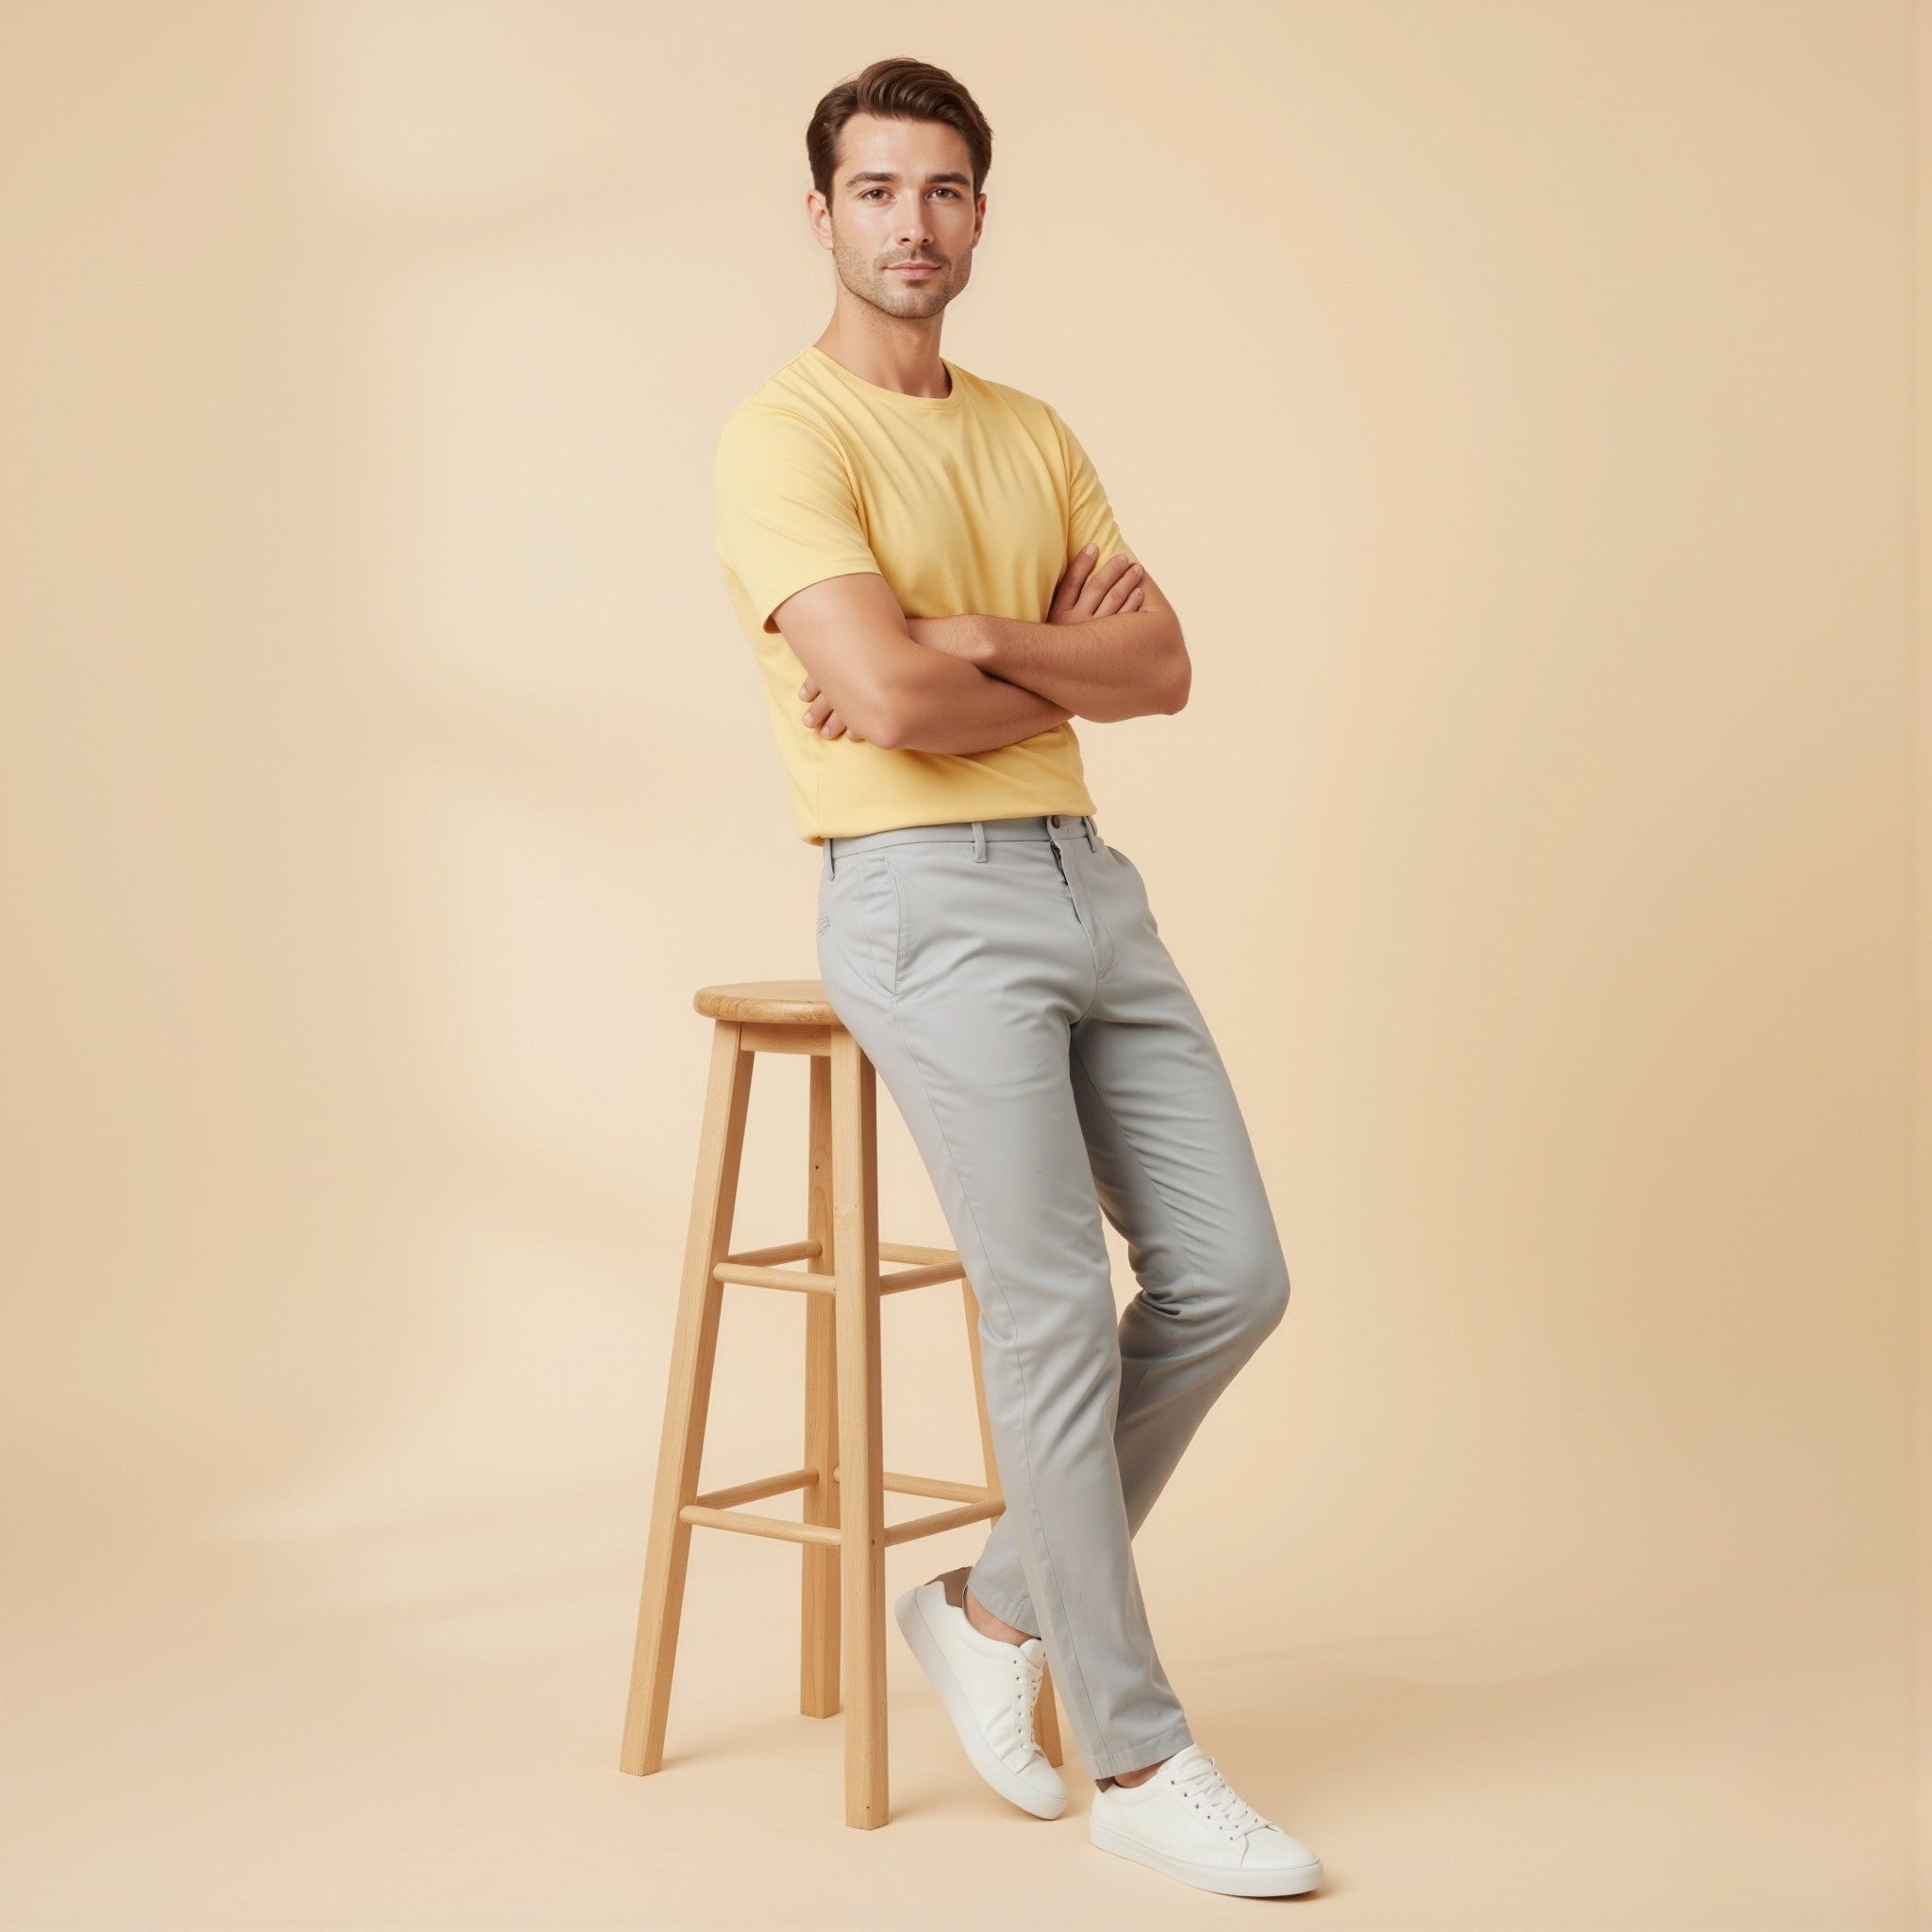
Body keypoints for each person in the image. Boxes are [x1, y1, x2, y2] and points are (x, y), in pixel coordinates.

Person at [710, 55, 1322, 1902]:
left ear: (982, 211)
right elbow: (877, 708)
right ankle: (1133, 1748)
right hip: (914, 898)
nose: (915, 223)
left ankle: (984, 1606)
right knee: (1051, 1308)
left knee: (1230, 1274)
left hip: (1085, 884)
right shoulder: (784, 437)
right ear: (820, 212)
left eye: (947, 190)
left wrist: (968, 630)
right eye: (880, 190)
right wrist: (1032, 655)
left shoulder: (1033, 432)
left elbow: (1163, 674)